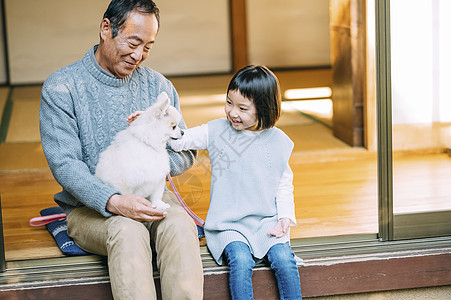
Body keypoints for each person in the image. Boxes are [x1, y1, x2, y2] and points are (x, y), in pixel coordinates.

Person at [39, 0, 203, 299]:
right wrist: (113, 200)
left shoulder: (158, 86)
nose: (139, 55)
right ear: (106, 29)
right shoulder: (62, 87)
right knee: (128, 231)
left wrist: (147, 161)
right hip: (90, 207)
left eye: (148, 46)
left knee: (180, 226)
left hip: (150, 194)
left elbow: (186, 149)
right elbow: (65, 164)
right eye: (133, 42)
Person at [131, 65, 303, 299]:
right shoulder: (218, 130)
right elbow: (182, 140)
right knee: (240, 261)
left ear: (264, 109)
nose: (232, 112)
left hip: (266, 221)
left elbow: (284, 185)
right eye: (229, 103)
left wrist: (284, 218)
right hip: (229, 223)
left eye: (242, 108)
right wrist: (153, 126)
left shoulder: (278, 142)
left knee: (285, 261)